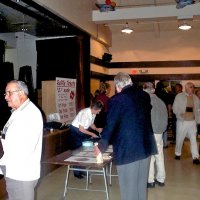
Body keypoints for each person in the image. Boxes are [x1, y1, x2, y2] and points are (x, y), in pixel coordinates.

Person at [94, 72, 157, 200]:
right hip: (146, 147)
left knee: (129, 190)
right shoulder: (145, 96)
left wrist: (101, 146)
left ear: (118, 87)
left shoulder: (117, 99)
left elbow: (111, 124)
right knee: (140, 188)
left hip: (129, 150)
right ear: (130, 82)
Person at [0, 80, 43, 200]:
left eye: (9, 93)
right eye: (5, 94)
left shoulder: (30, 114)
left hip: (21, 173)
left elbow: (26, 147)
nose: (6, 97)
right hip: (13, 170)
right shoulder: (18, 111)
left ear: (21, 93)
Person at [70, 99, 103, 178]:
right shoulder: (84, 113)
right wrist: (92, 134)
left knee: (84, 150)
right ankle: (77, 173)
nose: (99, 112)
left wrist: (96, 129)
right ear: (94, 109)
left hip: (82, 131)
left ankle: (83, 170)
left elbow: (91, 123)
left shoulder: (93, 113)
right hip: (76, 131)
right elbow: (81, 129)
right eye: (98, 111)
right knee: (77, 152)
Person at [143, 82, 168, 188]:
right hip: (160, 132)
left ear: (145, 90)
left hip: (150, 131)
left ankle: (150, 180)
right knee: (159, 155)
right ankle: (161, 179)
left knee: (150, 157)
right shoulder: (161, 101)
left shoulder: (146, 101)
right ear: (153, 89)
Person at [173, 82, 200, 164]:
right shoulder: (179, 96)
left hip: (192, 121)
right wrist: (180, 113)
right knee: (180, 139)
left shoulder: (196, 98)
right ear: (186, 88)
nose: (193, 88)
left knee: (193, 139)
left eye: (193, 87)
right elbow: (174, 108)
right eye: (191, 87)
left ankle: (195, 157)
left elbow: (198, 110)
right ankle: (178, 153)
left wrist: (198, 121)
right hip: (182, 121)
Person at [155, 81, 172, 148]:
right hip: (164, 112)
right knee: (164, 128)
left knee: (156, 127)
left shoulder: (154, 94)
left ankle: (158, 143)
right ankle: (165, 143)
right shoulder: (165, 93)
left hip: (156, 112)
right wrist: (169, 113)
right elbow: (169, 104)